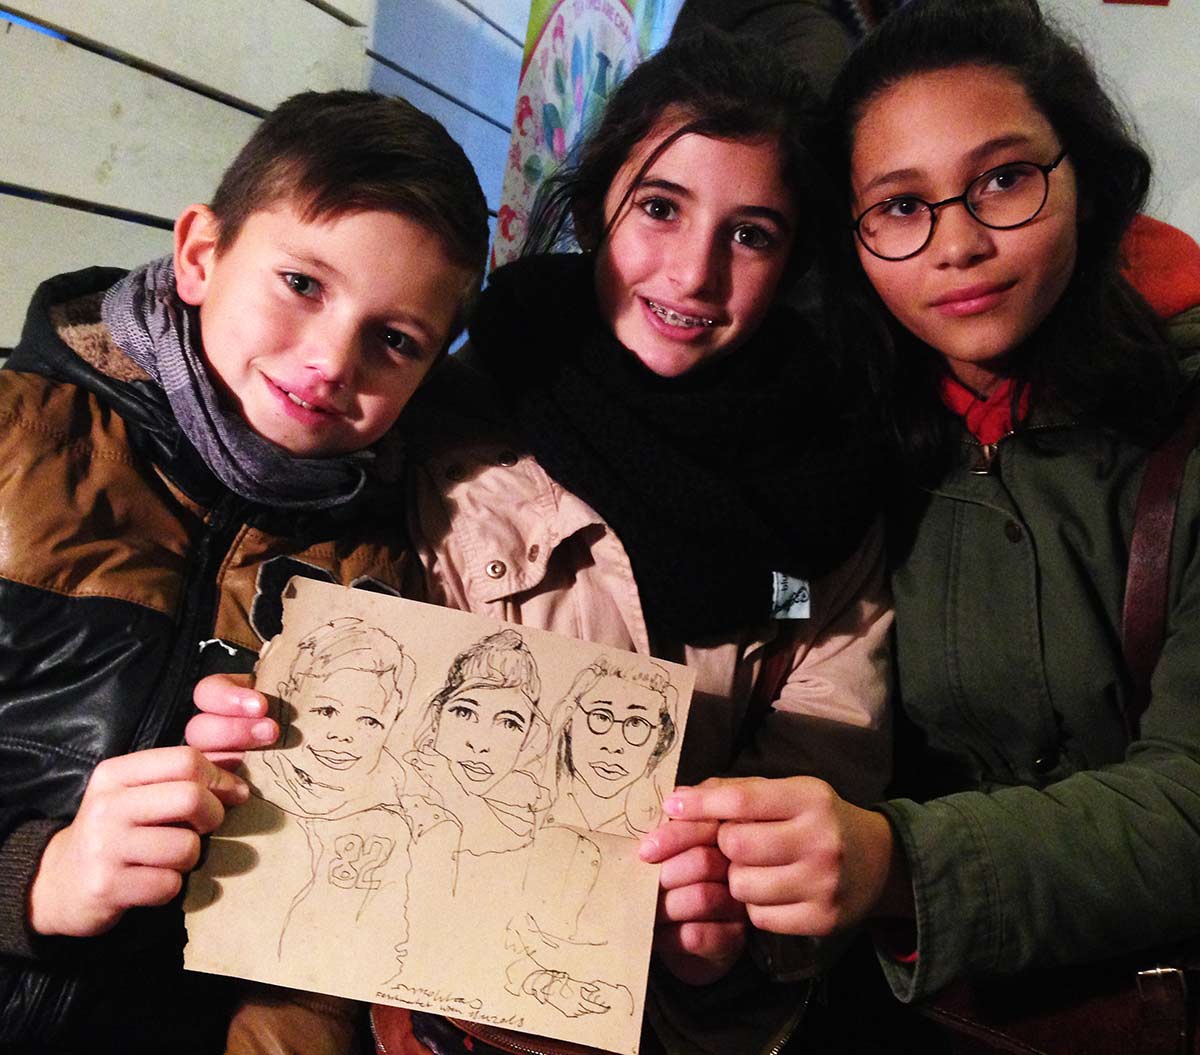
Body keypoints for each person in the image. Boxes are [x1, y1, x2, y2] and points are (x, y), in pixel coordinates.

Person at [192, 26, 893, 1055]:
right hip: (393, 1001)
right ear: (600, 201)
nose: (694, 273)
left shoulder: (828, 483)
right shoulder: (439, 402)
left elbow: (823, 752)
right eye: (661, 208)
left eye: (751, 234)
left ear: (795, 259)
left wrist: (737, 925)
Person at [651, 0, 1200, 1047]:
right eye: (900, 206)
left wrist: (898, 861)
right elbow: (797, 600)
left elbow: (1190, 798)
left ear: (1085, 176)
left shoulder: (1181, 414)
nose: (957, 244)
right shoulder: (845, 433)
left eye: (1004, 180)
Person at [0, 88, 489, 1054]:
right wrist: (36, 878)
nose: (331, 360)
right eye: (302, 283)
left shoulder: (382, 575)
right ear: (200, 253)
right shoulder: (17, 445)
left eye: (394, 340)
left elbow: (317, 948)